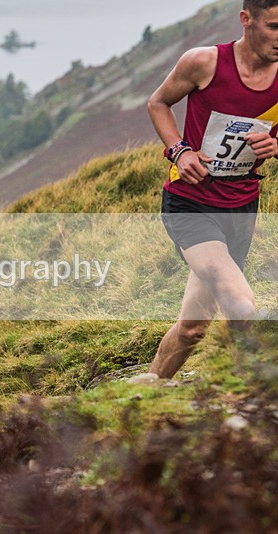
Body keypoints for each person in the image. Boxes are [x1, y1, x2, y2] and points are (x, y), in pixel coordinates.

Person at [146, 0, 278, 379]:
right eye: (274, 26)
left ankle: (145, 390)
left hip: (241, 207)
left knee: (192, 328)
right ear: (246, 19)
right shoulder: (204, 63)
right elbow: (158, 103)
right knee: (241, 304)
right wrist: (179, 151)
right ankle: (252, 393)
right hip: (190, 204)